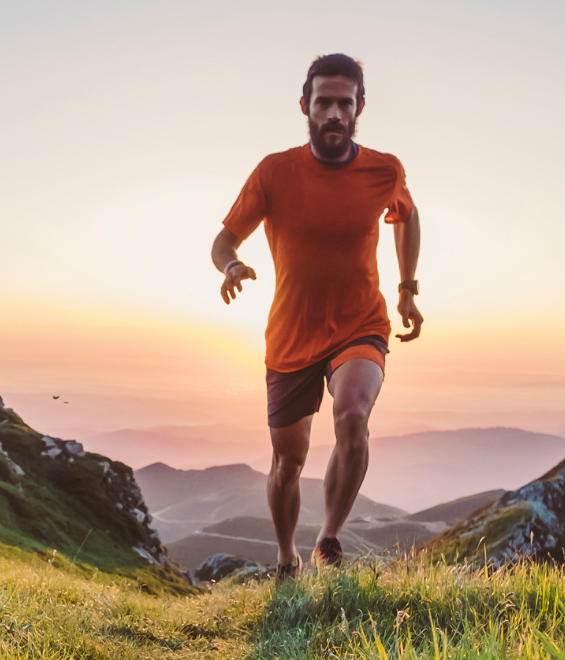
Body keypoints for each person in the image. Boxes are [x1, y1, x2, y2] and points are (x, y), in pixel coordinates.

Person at [208, 53, 422, 576]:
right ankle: (287, 558)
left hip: (361, 325)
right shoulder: (275, 172)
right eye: (323, 102)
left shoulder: (384, 170)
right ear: (304, 106)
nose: (333, 113)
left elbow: (407, 217)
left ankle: (329, 538)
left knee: (353, 416)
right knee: (288, 464)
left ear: (359, 108)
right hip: (290, 336)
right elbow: (223, 240)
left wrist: (408, 289)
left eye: (343, 103)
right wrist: (232, 265)